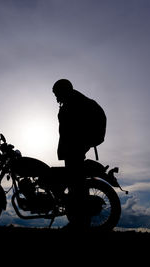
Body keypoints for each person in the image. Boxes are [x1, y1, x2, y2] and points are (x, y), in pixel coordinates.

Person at [52, 79, 101, 228]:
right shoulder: (74, 101)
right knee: (74, 183)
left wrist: (75, 144)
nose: (56, 98)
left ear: (63, 90)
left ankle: (79, 222)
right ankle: (77, 220)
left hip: (75, 148)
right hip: (74, 147)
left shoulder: (74, 103)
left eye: (57, 94)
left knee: (76, 184)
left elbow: (71, 129)